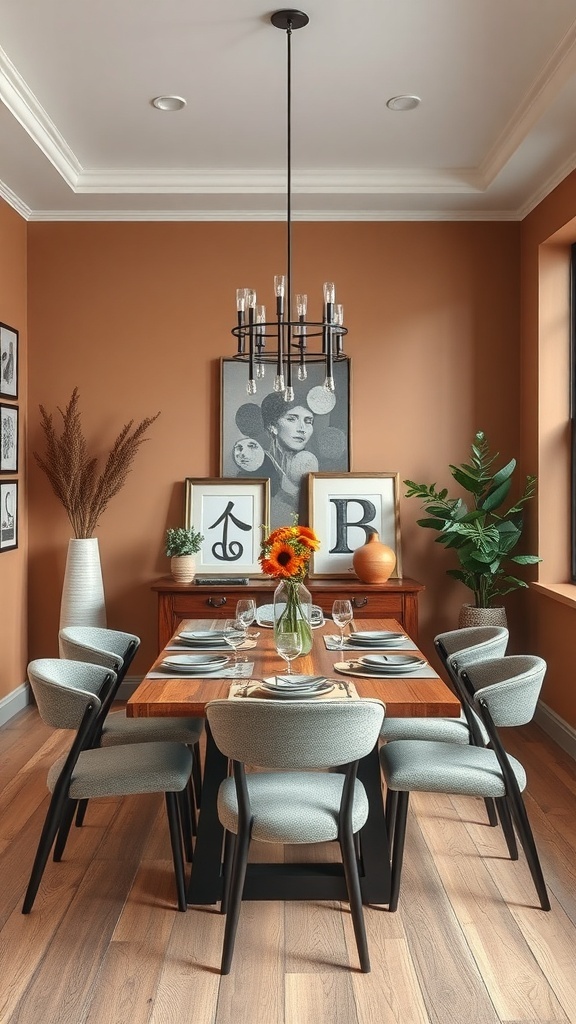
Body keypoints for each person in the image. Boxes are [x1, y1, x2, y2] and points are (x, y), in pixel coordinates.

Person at [260, 390, 319, 524]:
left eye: (308, 421)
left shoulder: (311, 467)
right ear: (273, 426)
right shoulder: (261, 465)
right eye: (292, 419)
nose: (302, 428)